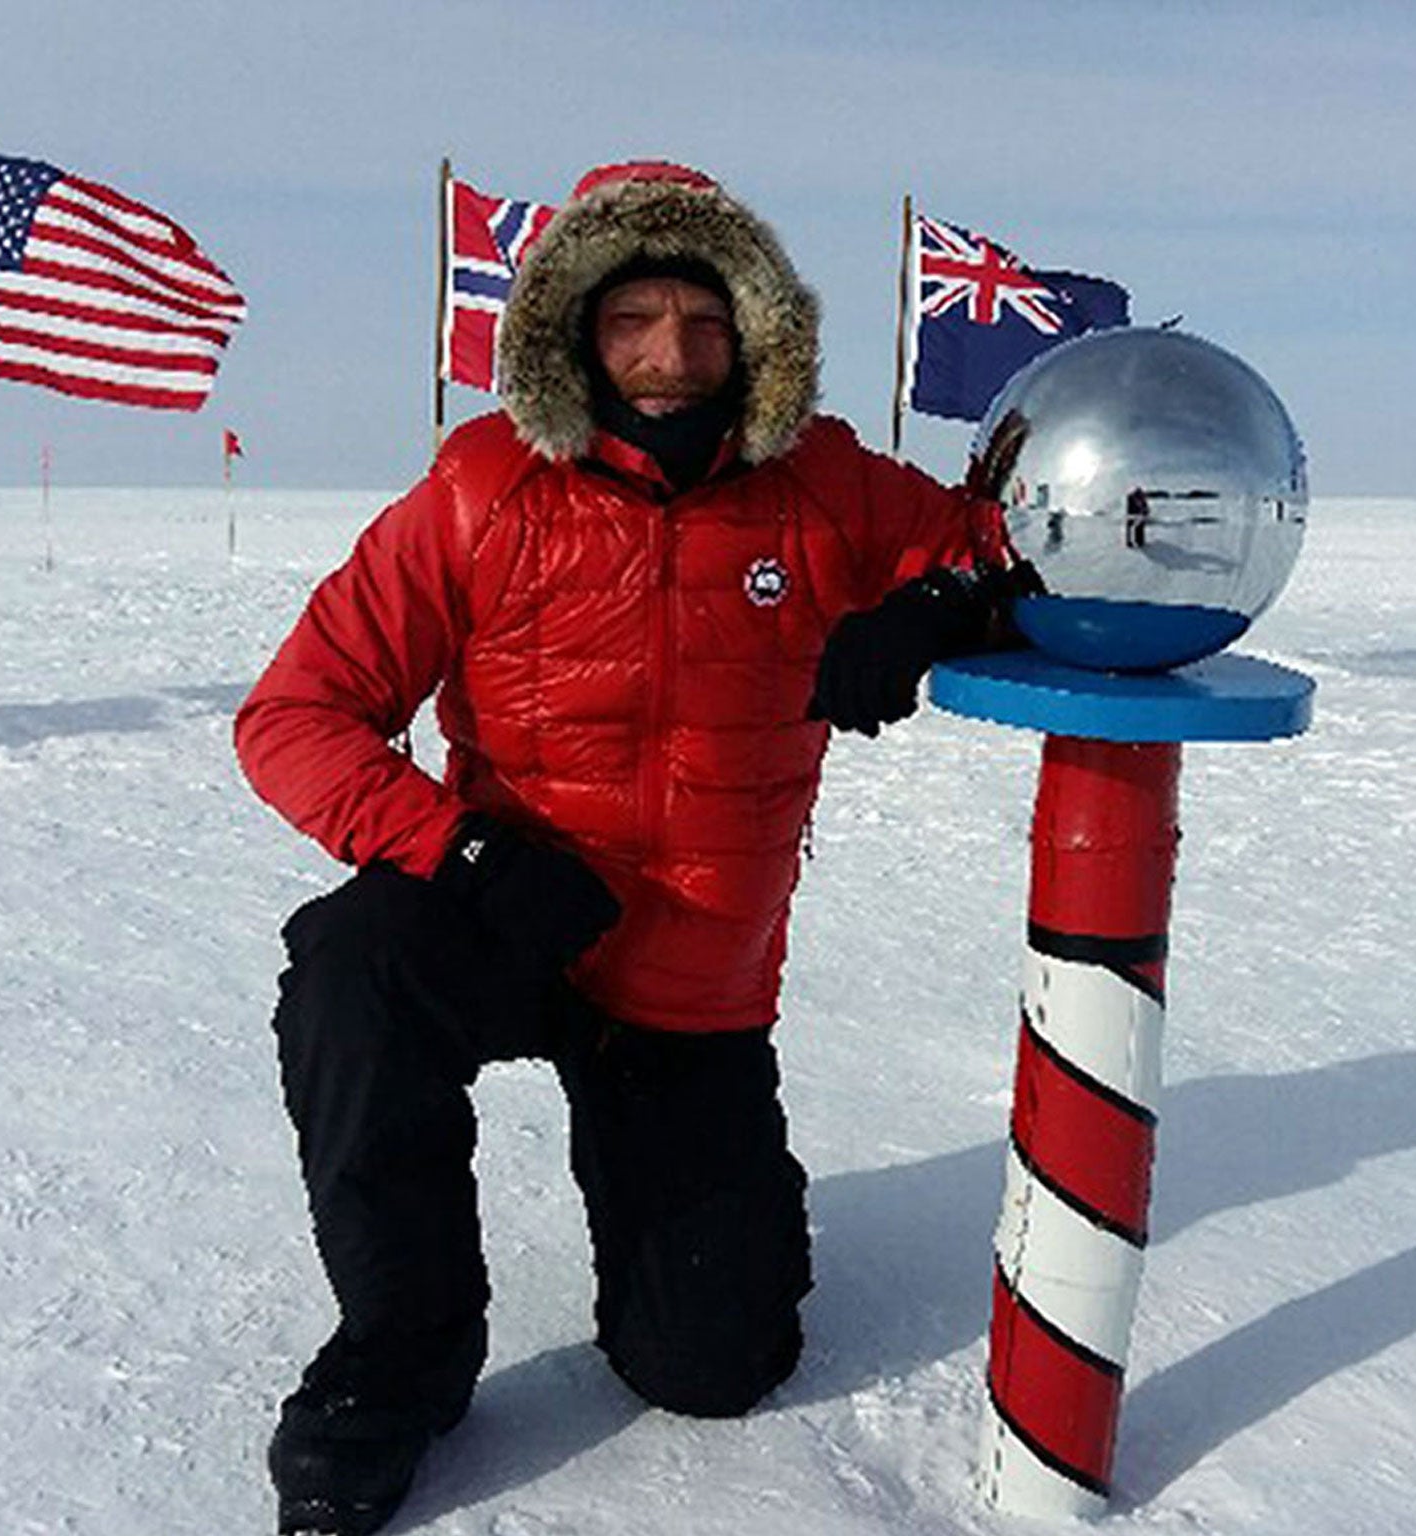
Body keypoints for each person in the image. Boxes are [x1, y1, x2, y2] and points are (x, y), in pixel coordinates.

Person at [235, 160, 1028, 1536]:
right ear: (569, 334)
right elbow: (295, 716)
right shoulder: (484, 488)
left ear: (754, 338)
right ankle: (400, 1354)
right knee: (352, 968)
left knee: (712, 1366)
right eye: (631, 323)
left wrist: (942, 606)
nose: (669, 359)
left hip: (688, 983)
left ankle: (684, 1227)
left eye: (704, 324)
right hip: (514, 915)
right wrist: (460, 853)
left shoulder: (825, 484)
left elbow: (1020, 543)